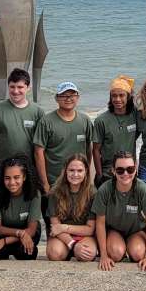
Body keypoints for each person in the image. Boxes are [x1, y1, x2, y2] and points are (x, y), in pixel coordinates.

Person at [32, 81, 94, 225]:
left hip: (78, 181)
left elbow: (89, 149)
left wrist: (87, 175)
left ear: (78, 97)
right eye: (64, 95)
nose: (68, 98)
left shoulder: (84, 120)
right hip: (54, 183)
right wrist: (45, 184)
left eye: (72, 95)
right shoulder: (46, 121)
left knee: (78, 220)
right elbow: (38, 152)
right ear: (56, 98)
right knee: (53, 225)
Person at [93, 151, 146, 271]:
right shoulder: (104, 190)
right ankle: (121, 250)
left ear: (136, 168)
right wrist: (104, 255)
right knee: (115, 253)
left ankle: (131, 248)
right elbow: (100, 223)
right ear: (113, 170)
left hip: (136, 231)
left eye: (130, 169)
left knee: (138, 253)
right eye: (120, 170)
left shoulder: (143, 189)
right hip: (114, 230)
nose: (125, 174)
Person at [0, 68, 44, 178]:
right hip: (2, 167)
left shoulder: (38, 112)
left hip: (29, 168)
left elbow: (40, 147)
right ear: (8, 87)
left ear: (28, 88)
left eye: (20, 87)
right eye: (12, 87)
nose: (16, 91)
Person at [0, 156, 42, 261]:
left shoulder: (34, 194)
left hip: (26, 232)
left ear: (24, 177)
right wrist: (19, 233)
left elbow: (31, 230)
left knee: (27, 254)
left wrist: (4, 242)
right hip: (3, 232)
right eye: (7, 178)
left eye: (16, 177)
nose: (12, 182)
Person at [46, 153, 98, 262]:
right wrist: (73, 244)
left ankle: (73, 251)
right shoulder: (55, 192)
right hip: (61, 236)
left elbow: (90, 229)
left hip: (84, 236)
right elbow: (55, 227)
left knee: (87, 255)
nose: (75, 174)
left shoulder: (92, 193)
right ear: (65, 171)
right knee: (54, 254)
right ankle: (70, 250)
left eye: (80, 171)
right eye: (71, 170)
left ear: (86, 172)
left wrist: (64, 227)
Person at [92, 76, 138, 187]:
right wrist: (99, 175)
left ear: (128, 96)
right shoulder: (101, 120)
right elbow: (96, 150)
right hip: (108, 173)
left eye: (121, 95)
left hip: (129, 172)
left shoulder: (136, 115)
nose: (117, 99)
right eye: (114, 96)